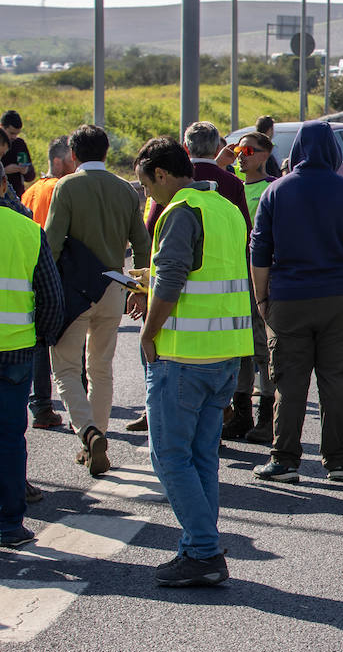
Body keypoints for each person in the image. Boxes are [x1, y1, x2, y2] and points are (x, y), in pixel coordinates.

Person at [133, 138, 253, 586]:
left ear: (162, 174)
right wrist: (151, 280)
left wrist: (148, 331)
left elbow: (176, 279)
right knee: (202, 456)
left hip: (183, 356)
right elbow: (207, 272)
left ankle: (202, 550)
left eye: (147, 186)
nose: (148, 195)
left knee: (168, 456)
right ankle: (197, 545)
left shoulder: (179, 212)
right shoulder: (223, 207)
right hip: (224, 354)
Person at [250, 121, 343, 483]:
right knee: (335, 382)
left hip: (288, 299)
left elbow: (260, 250)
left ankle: (285, 460)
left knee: (289, 384)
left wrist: (262, 298)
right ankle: (337, 461)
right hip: (339, 298)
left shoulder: (276, 191)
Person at [44, 124, 151, 475]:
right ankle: (99, 436)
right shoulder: (124, 190)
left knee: (66, 369)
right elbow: (142, 244)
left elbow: (53, 242)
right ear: (107, 152)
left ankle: (87, 433)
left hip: (74, 290)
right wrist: (141, 290)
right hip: (113, 286)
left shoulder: (67, 187)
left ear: (73, 155)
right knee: (101, 368)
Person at [0, 200, 64, 548]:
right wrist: (41, 340)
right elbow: (52, 297)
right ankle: (9, 525)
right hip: (16, 351)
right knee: (9, 440)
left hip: (17, 349)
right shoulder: (26, 229)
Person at [20, 137, 76, 431]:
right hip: (57, 273)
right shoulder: (62, 188)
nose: (75, 163)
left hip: (29, 273)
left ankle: (41, 406)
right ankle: (79, 409)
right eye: (71, 158)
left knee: (39, 343)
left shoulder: (30, 192)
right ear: (58, 162)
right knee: (70, 345)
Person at [232, 130, 279, 443]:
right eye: (238, 149)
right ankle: (240, 415)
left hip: (261, 277)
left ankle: (266, 419)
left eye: (248, 150)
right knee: (239, 348)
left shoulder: (271, 189)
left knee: (263, 350)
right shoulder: (231, 187)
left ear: (264, 155)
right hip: (234, 278)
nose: (241, 155)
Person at [1, 110, 36, 197]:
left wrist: (25, 170)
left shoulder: (19, 144)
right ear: (1, 127)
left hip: (17, 197)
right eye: (11, 133)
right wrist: (4, 171)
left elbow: (31, 176)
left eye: (17, 134)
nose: (14, 137)